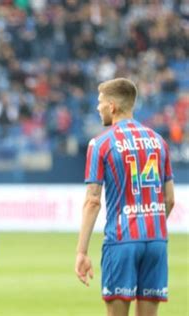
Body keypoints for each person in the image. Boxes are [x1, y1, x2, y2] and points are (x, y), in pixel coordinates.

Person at [75, 78, 175, 316]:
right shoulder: (159, 142)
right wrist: (150, 222)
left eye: (100, 103)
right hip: (156, 241)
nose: (97, 107)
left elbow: (93, 201)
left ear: (112, 106)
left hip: (121, 241)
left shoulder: (100, 144)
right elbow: (170, 200)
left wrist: (81, 251)